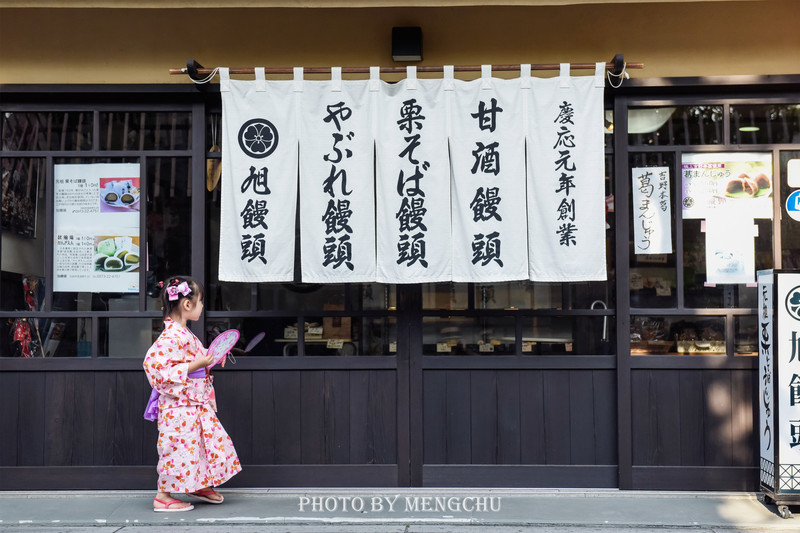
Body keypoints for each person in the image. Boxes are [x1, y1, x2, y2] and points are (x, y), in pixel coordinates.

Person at [143, 275, 241, 512]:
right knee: (177, 450)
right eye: (201, 301)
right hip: (179, 408)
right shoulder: (171, 336)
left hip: (193, 404)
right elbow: (155, 368)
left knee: (204, 445)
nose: (202, 306)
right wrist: (198, 364)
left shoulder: (183, 333)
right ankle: (163, 496)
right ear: (187, 304)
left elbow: (196, 358)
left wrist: (212, 358)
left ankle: (198, 484)